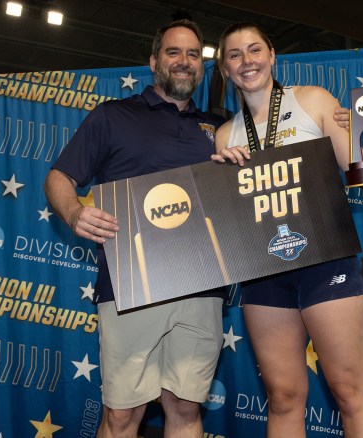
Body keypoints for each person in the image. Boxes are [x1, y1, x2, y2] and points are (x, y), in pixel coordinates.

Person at [211, 22, 363, 438]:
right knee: (283, 397)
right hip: (264, 273)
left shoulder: (313, 99)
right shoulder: (225, 134)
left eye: (255, 49)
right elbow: (231, 214)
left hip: (325, 261)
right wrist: (223, 178)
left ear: (272, 56)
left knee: (350, 391)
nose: (247, 61)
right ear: (225, 69)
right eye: (235, 54)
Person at [44, 20, 227, 438]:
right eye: (173, 52)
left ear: (202, 67)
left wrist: (338, 125)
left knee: (185, 407)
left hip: (202, 284)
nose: (184, 61)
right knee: (123, 415)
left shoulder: (222, 127)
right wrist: (73, 213)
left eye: (194, 54)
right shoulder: (112, 116)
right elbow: (59, 177)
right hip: (129, 286)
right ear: (153, 61)